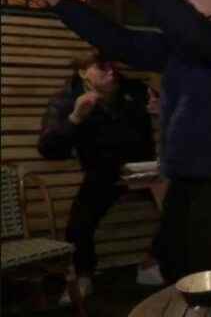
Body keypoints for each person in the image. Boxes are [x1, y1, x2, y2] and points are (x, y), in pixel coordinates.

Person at [16, 0, 211, 283]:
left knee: (206, 278)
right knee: (174, 267)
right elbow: (116, 39)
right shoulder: (184, 43)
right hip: (182, 177)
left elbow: (193, 32)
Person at [37, 50, 155, 300]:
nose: (112, 71)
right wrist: (75, 118)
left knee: (181, 201)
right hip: (103, 171)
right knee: (79, 223)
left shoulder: (133, 90)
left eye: (113, 65)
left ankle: (152, 263)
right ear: (83, 72)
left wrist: (162, 110)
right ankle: (84, 276)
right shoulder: (68, 99)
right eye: (102, 67)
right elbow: (49, 149)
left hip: (145, 168)